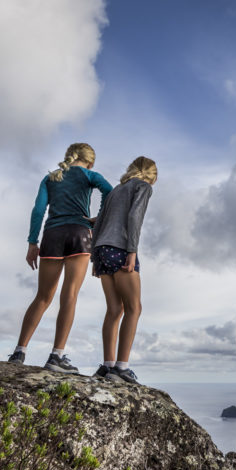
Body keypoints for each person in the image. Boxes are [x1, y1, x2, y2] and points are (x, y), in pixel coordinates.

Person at [10, 143, 113, 372]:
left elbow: (38, 211)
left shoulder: (50, 178)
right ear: (90, 162)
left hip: (52, 236)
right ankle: (56, 356)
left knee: (43, 297)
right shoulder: (90, 175)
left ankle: (19, 352)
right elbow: (110, 192)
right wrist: (99, 218)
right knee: (70, 296)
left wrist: (32, 243)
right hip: (79, 233)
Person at [90, 156, 156, 384]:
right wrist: (132, 251)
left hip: (100, 250)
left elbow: (99, 222)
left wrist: (93, 258)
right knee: (134, 308)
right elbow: (134, 216)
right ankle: (122, 367)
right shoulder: (143, 187)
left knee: (114, 309)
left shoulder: (117, 190)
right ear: (151, 175)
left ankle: (107, 366)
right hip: (120, 248)